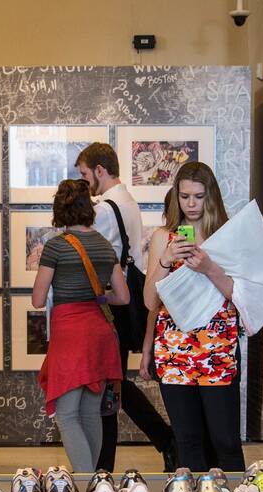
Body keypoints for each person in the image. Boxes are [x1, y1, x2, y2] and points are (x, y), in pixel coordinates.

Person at [75, 142, 176, 471]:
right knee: (112, 383)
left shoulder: (106, 209)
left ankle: (107, 466)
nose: (84, 182)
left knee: (109, 386)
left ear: (100, 170)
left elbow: (90, 255)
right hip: (123, 302)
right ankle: (162, 441)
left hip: (111, 304)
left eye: (85, 175)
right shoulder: (127, 201)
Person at [140, 162, 246, 472]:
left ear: (210, 196)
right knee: (187, 440)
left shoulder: (227, 235)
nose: (191, 204)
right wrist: (166, 259)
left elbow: (241, 297)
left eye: (198, 197)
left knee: (225, 440)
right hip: (175, 350)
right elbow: (150, 301)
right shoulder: (163, 237)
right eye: (185, 196)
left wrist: (209, 268)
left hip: (218, 348)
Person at [33, 179, 129, 472]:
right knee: (90, 414)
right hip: (99, 333)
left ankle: (86, 481)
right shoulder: (104, 245)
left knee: (67, 415)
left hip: (70, 335)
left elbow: (38, 299)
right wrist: (99, 296)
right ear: (88, 208)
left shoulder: (56, 247)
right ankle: (96, 483)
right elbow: (123, 297)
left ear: (59, 210)